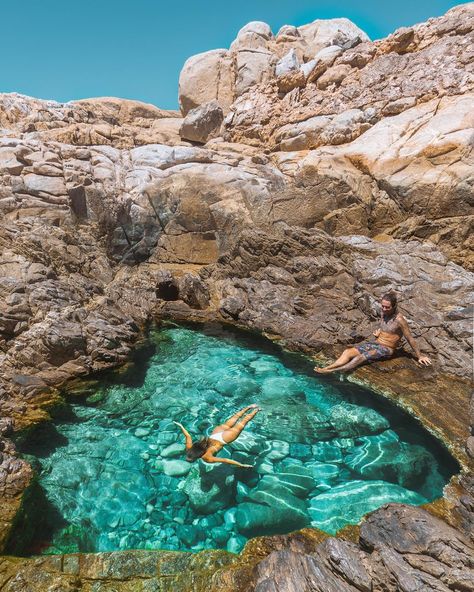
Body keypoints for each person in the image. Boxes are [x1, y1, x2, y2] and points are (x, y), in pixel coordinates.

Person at [315, 292, 432, 374]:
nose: (384, 309)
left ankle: (330, 371)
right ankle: (329, 366)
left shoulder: (400, 320)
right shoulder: (383, 313)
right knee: (348, 351)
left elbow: (410, 338)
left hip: (387, 349)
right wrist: (379, 334)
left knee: (361, 357)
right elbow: (386, 328)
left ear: (394, 306)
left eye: (387, 307)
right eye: (383, 306)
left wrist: (419, 356)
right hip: (377, 342)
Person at [173, 404, 261, 467]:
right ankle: (249, 406)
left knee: (243, 422)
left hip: (224, 439)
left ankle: (257, 410)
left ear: (196, 458)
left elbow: (226, 460)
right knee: (234, 418)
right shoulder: (189, 447)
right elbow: (187, 436)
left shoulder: (206, 458)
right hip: (215, 433)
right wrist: (180, 426)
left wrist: (241, 465)